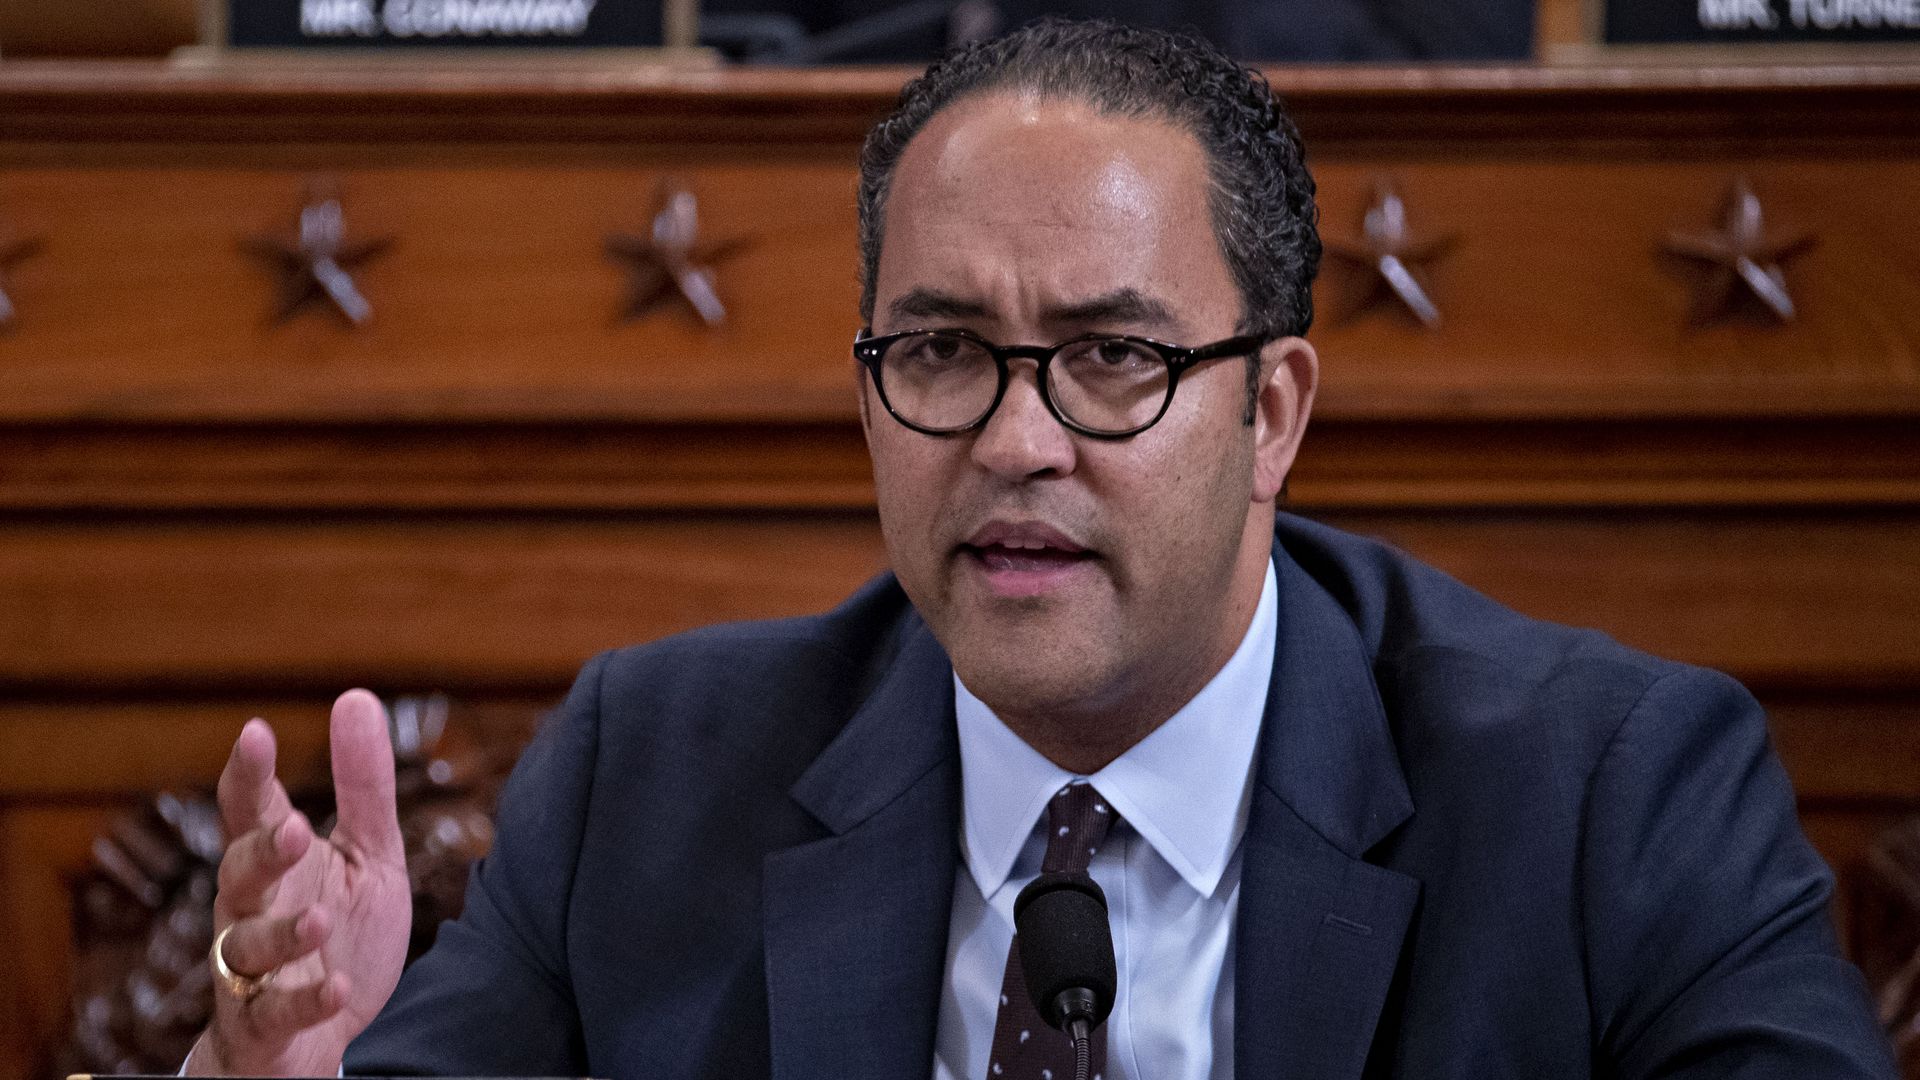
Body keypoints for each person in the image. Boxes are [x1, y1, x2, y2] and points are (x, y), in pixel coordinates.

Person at [182, 18, 1896, 1080]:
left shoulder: (1613, 795)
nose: (1014, 440)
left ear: (1273, 413)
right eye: (937, 352)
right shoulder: (651, 772)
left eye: (1113, 359)